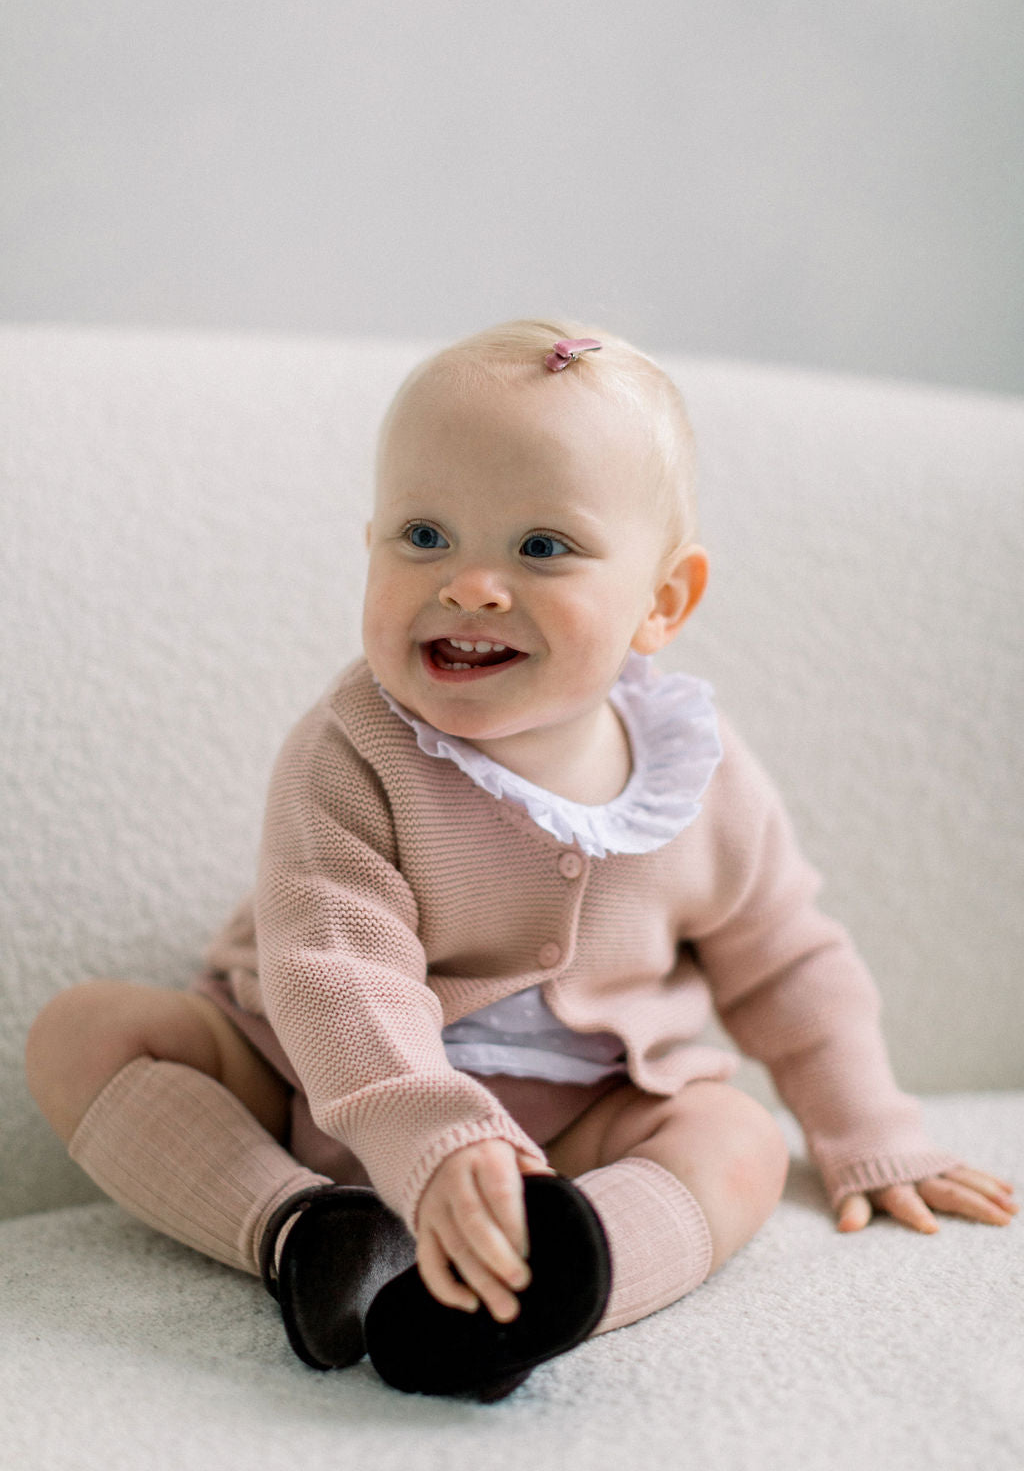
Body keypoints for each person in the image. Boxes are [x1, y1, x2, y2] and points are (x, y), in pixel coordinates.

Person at [25, 320, 1017, 1400]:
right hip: (307, 1082)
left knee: (734, 1139)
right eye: (423, 535)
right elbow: (337, 975)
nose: (471, 585)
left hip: (585, 1117)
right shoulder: (350, 753)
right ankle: (303, 1231)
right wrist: (436, 1139)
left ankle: (562, 1278)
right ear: (369, 546)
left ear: (663, 601)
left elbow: (785, 961)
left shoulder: (698, 774)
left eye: (541, 548)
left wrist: (868, 1130)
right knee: (86, 1033)